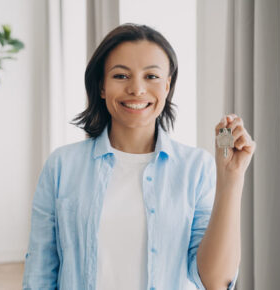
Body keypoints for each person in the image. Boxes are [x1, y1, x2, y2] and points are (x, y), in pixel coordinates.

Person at [22, 23, 256, 290]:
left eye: (151, 77)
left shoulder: (196, 168)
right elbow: (39, 274)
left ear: (167, 87)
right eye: (121, 76)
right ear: (101, 86)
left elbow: (215, 281)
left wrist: (232, 179)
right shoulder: (61, 166)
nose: (136, 89)